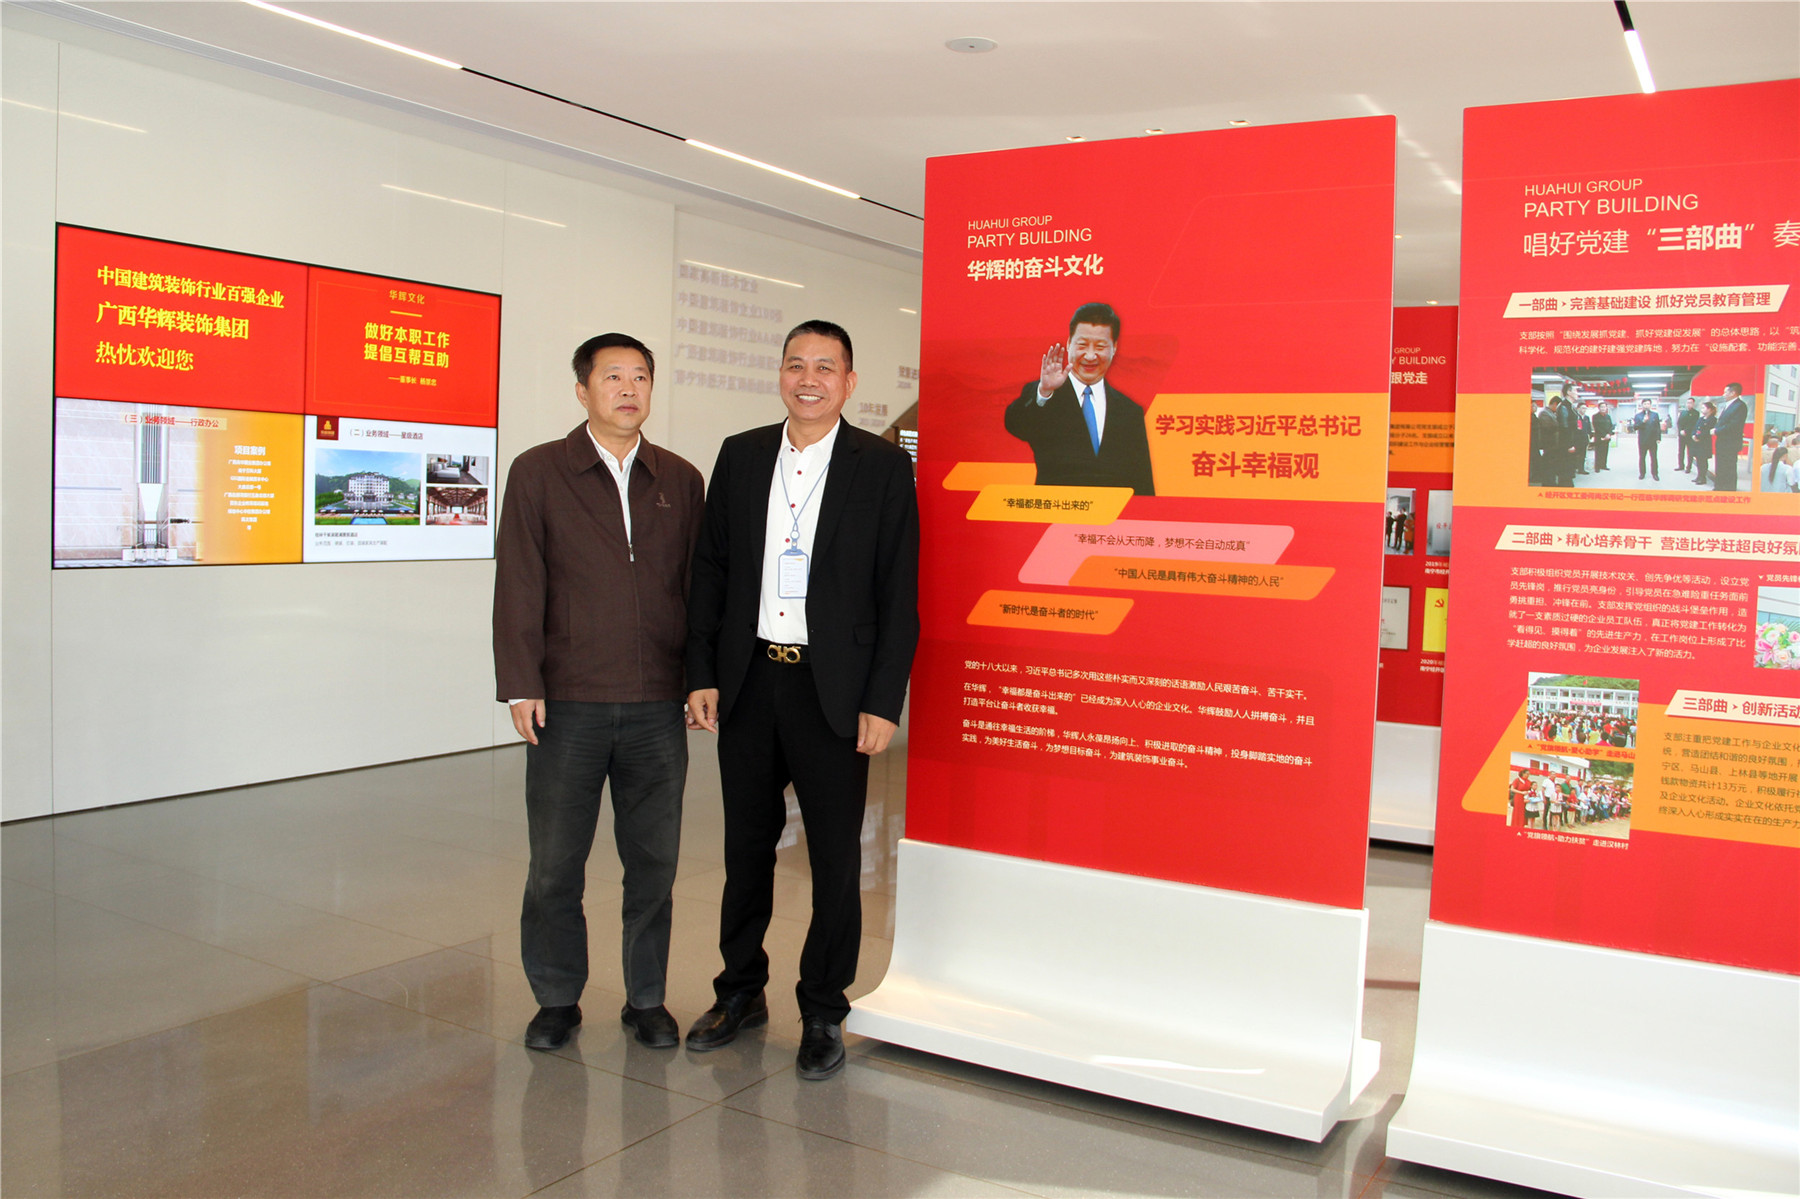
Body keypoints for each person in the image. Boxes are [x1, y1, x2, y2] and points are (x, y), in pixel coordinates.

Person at [684, 319, 920, 1081]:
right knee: (745, 848)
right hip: (752, 680)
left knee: (834, 857)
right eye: (795, 364)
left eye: (825, 366)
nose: (808, 378)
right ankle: (739, 990)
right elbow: (711, 570)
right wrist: (702, 671)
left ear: (849, 382)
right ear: (780, 375)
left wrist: (884, 699)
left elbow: (899, 592)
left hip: (834, 689)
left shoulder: (881, 466)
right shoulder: (742, 454)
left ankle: (823, 1007)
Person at [493, 333, 706, 1053]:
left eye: (640, 376)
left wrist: (699, 677)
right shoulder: (539, 471)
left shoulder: (680, 478)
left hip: (657, 705)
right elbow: (519, 580)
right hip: (569, 703)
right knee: (556, 864)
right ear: (582, 390)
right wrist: (521, 683)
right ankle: (557, 997)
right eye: (612, 376)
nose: (628, 389)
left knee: (654, 864)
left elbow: (699, 589)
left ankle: (647, 997)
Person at [1005, 302, 1154, 495]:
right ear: (1069, 344)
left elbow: (1142, 481)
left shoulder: (1130, 411)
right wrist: (1045, 391)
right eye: (1082, 345)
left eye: (1100, 346)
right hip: (1056, 509)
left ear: (1114, 348)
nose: (1090, 356)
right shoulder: (1045, 394)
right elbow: (1015, 425)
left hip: (1111, 512)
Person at [1713, 382, 1751, 493]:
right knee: (1720, 466)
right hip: (1722, 441)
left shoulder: (1740, 406)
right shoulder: (1728, 405)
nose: (1723, 394)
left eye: (1725, 392)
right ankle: (1719, 487)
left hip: (1730, 443)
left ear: (1733, 392)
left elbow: (1734, 425)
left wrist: (1717, 430)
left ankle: (1728, 490)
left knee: (1729, 467)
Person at [1532, 396, 1565, 486]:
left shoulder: (1552, 413)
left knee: (1553, 465)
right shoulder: (1544, 413)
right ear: (1554, 404)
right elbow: (1548, 428)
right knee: (1549, 465)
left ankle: (1552, 482)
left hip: (1553, 444)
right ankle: (1548, 483)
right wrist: (1561, 426)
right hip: (1549, 444)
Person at [1630, 398, 1665, 482]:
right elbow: (1635, 427)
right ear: (1642, 405)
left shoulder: (1655, 415)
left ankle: (1655, 474)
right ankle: (1642, 473)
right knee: (1642, 457)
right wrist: (1643, 421)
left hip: (1652, 440)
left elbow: (1657, 427)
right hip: (1642, 440)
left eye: (1648, 404)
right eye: (1645, 404)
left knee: (1654, 458)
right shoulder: (1638, 416)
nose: (1646, 405)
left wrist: (1658, 438)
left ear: (1650, 405)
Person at [1691, 401, 1717, 486]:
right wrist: (1693, 435)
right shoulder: (1701, 419)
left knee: (1703, 461)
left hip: (1704, 443)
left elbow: (1708, 431)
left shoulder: (1712, 419)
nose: (1701, 409)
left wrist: (1698, 436)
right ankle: (1699, 476)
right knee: (1699, 460)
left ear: (1709, 409)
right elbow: (1695, 428)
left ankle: (1703, 477)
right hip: (1697, 443)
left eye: (1703, 408)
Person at [1676, 398, 1700, 473]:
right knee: (1680, 451)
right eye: (1687, 403)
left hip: (1690, 435)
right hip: (1681, 435)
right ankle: (1681, 466)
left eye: (1690, 403)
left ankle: (1688, 467)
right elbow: (1679, 423)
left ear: (1693, 404)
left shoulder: (1696, 413)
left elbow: (1693, 424)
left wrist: (1685, 431)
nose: (1689, 404)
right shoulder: (1683, 412)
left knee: (1690, 452)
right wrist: (1680, 430)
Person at [1590, 401, 1614, 472]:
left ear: (1606, 408)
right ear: (1599, 408)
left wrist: (1609, 434)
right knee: (1598, 452)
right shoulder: (1595, 416)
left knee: (1605, 452)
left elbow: (1611, 426)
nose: (1603, 408)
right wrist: (1604, 435)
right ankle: (1597, 467)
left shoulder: (1608, 416)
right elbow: (1596, 427)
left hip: (1607, 437)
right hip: (1599, 437)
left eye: (1604, 407)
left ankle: (1603, 465)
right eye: (1601, 407)